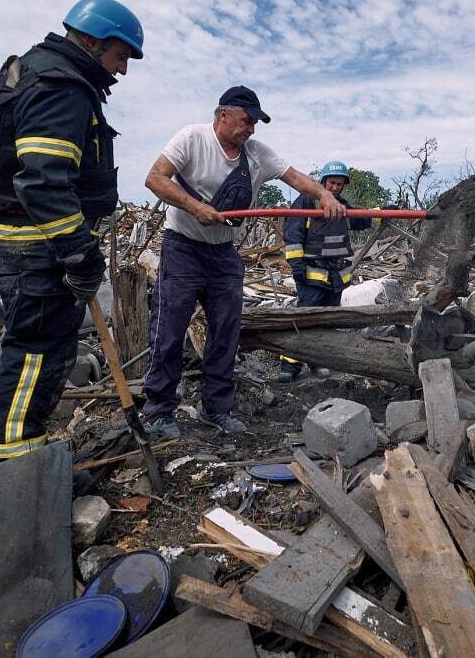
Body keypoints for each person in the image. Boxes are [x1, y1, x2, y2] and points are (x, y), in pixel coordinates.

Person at [0, 0, 143, 463]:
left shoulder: (28, 73)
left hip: (23, 246)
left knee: (32, 356)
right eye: (120, 55)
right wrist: (78, 252)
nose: (122, 70)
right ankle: (15, 474)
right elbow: (43, 181)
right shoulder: (62, 87)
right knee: (35, 361)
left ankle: (24, 457)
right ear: (94, 41)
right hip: (38, 252)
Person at [140, 87, 345, 435]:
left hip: (223, 253)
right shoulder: (192, 139)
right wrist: (195, 206)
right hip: (183, 248)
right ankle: (158, 410)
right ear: (223, 115)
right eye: (246, 121)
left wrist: (324, 193)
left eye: (255, 124)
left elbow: (295, 177)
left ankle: (216, 409)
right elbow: (155, 178)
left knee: (225, 333)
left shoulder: (256, 154)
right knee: (169, 330)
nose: (250, 130)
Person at [277, 160, 376, 382]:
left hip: (335, 278)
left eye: (339, 184)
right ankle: (290, 366)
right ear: (323, 181)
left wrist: (383, 213)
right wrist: (297, 266)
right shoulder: (306, 202)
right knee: (304, 320)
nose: (335, 188)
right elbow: (293, 236)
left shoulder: (341, 206)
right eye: (332, 183)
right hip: (311, 276)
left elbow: (360, 220)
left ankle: (318, 360)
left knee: (326, 321)